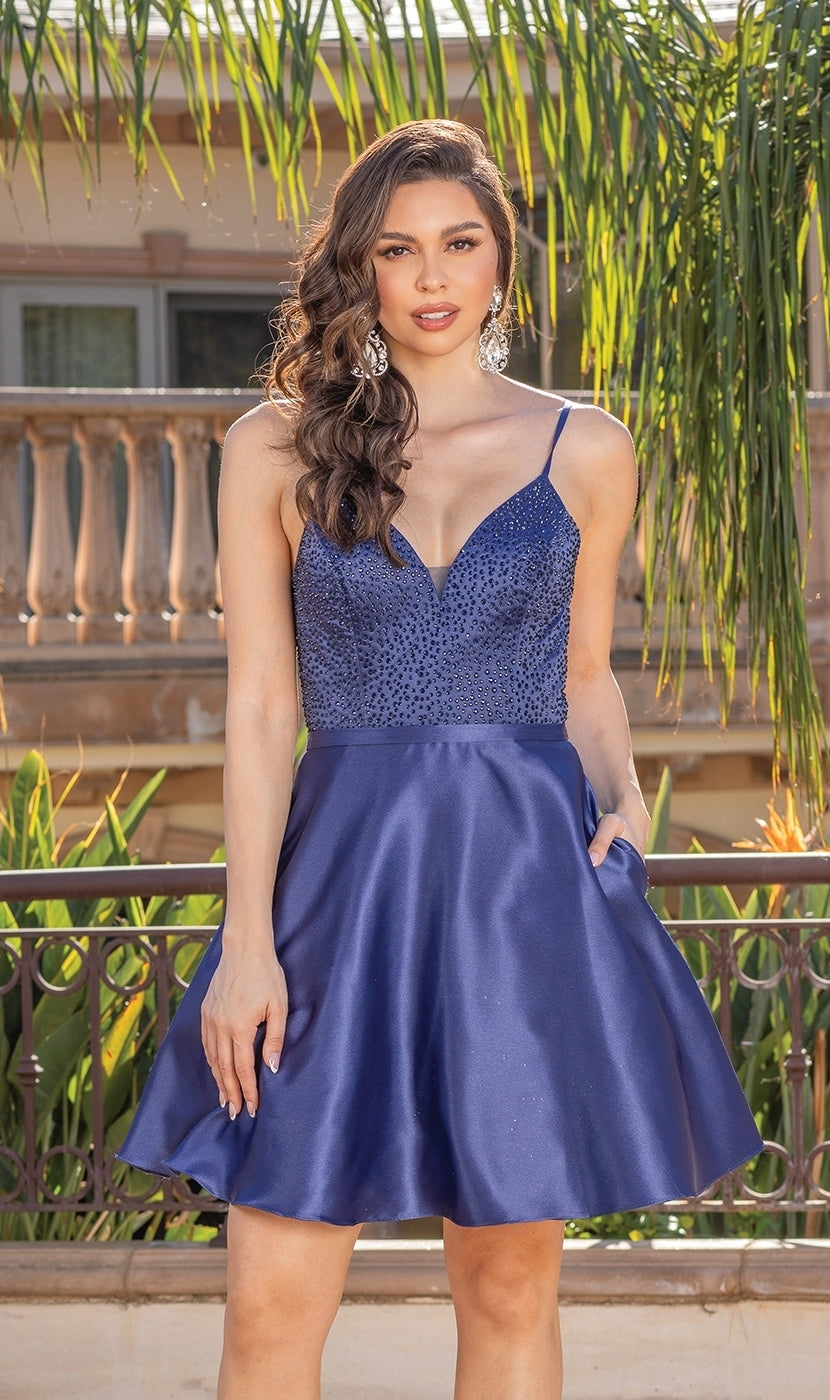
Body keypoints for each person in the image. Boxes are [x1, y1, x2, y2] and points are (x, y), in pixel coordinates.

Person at [119, 119, 763, 1400]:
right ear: (357, 268)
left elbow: (584, 680)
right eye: (397, 247)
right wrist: (246, 942)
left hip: (522, 895)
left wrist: (628, 791)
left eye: (460, 243)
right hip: (335, 897)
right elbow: (259, 706)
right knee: (268, 1306)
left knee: (510, 1288)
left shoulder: (589, 448)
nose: (430, 275)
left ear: (500, 264)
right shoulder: (275, 447)